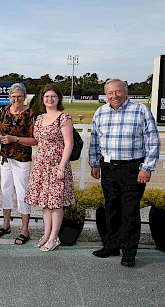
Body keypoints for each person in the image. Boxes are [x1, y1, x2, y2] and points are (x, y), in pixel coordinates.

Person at [89, 79, 161, 267]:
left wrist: (147, 167)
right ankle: (111, 246)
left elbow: (153, 141)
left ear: (125, 92)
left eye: (118, 91)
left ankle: (129, 252)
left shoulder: (141, 111)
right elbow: (95, 141)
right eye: (110, 93)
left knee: (129, 211)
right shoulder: (100, 112)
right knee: (111, 209)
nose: (115, 96)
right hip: (108, 167)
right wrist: (94, 163)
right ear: (106, 94)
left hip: (133, 169)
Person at [25, 83, 75, 251]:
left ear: (58, 98)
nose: (50, 99)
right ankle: (46, 235)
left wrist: (61, 167)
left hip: (56, 165)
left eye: (53, 96)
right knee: (46, 203)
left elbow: (69, 144)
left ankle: (54, 237)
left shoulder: (64, 117)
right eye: (47, 96)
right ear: (42, 99)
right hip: (41, 164)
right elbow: (37, 141)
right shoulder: (39, 118)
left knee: (56, 203)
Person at [0, 83, 37, 244]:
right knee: (5, 189)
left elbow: (34, 140)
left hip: (22, 159)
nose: (16, 99)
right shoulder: (5, 111)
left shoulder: (30, 114)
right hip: (5, 157)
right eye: (13, 96)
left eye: (19, 96)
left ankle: (25, 229)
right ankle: (6, 225)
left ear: (24, 97)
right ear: (9, 97)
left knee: (22, 192)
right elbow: (0, 130)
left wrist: (15, 139)